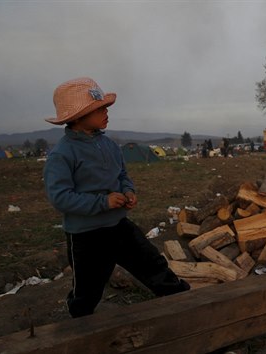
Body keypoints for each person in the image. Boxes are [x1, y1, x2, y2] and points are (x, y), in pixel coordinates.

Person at [43, 77, 190, 318]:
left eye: (105, 107)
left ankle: (188, 305)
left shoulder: (109, 145)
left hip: (119, 227)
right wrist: (103, 202)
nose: (106, 112)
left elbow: (122, 175)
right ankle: (79, 333)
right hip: (86, 237)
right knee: (86, 293)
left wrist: (128, 191)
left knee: (155, 266)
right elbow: (61, 198)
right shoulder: (62, 154)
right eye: (99, 108)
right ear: (78, 116)